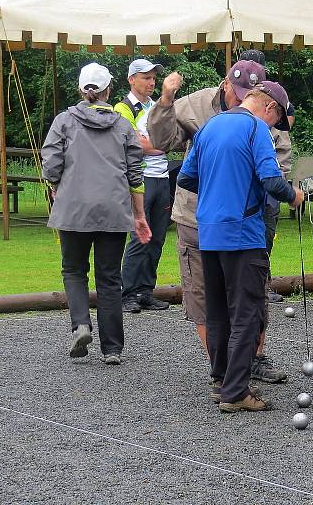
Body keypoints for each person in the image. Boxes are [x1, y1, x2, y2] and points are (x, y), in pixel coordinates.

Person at [147, 59, 290, 384]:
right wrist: (165, 99)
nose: (240, 102)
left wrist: (253, 188)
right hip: (199, 220)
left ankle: (251, 361)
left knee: (253, 290)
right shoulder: (195, 106)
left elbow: (278, 158)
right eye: (236, 93)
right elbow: (161, 140)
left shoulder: (263, 119)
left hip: (248, 218)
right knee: (204, 296)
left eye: (247, 95)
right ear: (226, 84)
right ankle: (225, 374)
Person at [176, 82, 304, 412]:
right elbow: (271, 180)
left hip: (209, 232)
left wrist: (218, 187)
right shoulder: (255, 129)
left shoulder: (209, 126)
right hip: (243, 233)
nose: (274, 128)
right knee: (248, 312)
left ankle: (221, 381)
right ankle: (236, 392)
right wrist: (294, 196)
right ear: (270, 109)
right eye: (276, 122)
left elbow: (186, 178)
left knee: (218, 310)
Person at [41, 62, 151, 365]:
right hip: (113, 210)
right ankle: (112, 348)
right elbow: (134, 174)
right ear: (108, 90)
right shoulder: (123, 125)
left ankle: (81, 325)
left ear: (81, 89)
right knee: (109, 277)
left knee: (74, 270)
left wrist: (54, 185)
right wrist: (139, 215)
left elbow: (51, 164)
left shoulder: (64, 121)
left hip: (73, 208)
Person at [238, 49, 296, 304]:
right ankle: (249, 287)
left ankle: (263, 284)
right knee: (248, 239)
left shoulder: (275, 102)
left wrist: (280, 179)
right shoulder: (241, 108)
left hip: (271, 185)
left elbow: (283, 146)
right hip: (247, 189)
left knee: (266, 236)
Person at [115, 58, 171, 314]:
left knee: (157, 238)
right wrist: (165, 144)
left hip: (162, 178)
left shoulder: (157, 107)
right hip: (139, 180)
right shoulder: (122, 108)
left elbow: (165, 139)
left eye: (153, 78)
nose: (151, 82)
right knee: (139, 237)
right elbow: (137, 145)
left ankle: (145, 291)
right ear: (131, 79)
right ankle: (128, 294)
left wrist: (158, 143)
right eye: (146, 78)